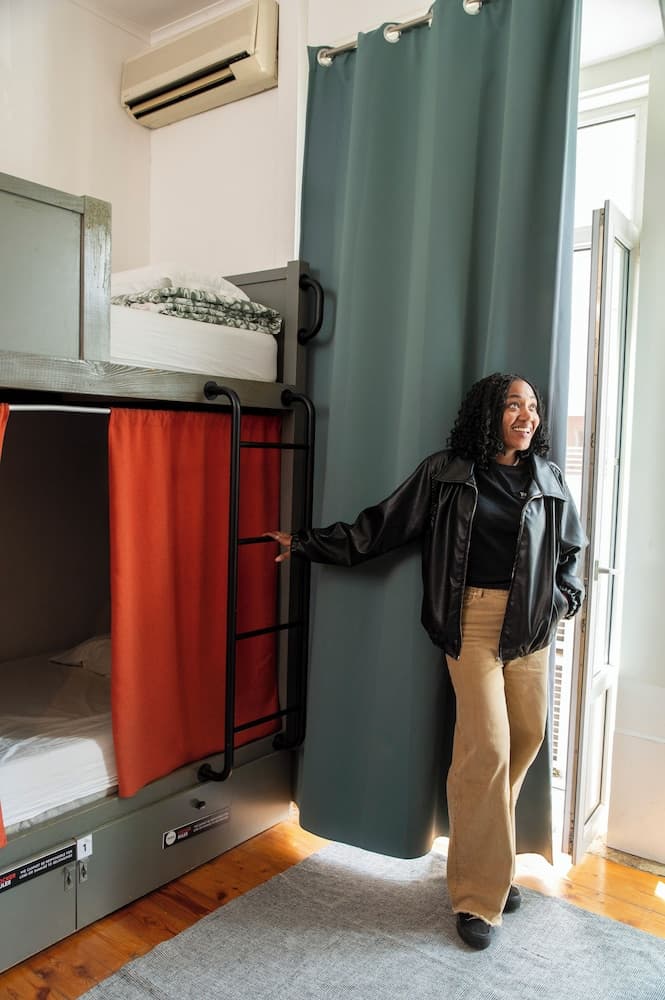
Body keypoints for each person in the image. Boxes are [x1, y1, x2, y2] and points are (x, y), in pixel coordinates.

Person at [265, 373, 586, 951]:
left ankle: (492, 860)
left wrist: (564, 599)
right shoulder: (446, 473)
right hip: (472, 623)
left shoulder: (549, 478)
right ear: (488, 412)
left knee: (525, 739)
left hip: (533, 628)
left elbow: (570, 553)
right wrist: (311, 543)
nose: (528, 416)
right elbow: (381, 526)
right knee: (486, 751)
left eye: (533, 407)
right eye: (514, 405)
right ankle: (477, 897)